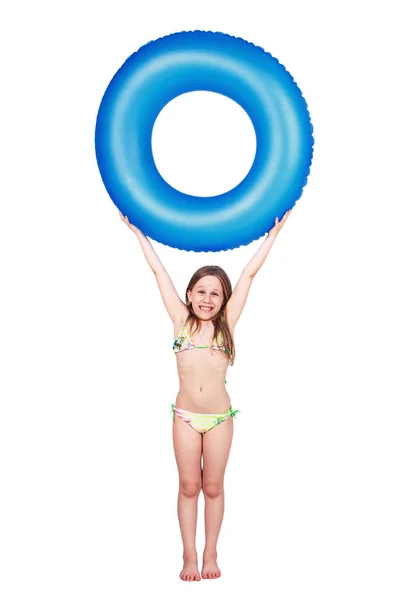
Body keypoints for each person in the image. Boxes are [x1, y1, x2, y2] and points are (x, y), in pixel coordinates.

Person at [119, 209, 291, 581]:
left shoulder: (227, 325)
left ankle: (211, 553)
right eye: (202, 291)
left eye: (216, 293)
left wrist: (273, 236)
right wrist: (138, 233)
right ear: (190, 294)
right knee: (188, 486)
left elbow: (248, 274)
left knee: (212, 487)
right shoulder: (181, 322)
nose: (208, 299)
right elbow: (158, 273)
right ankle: (188, 556)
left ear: (224, 299)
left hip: (218, 420)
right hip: (184, 416)